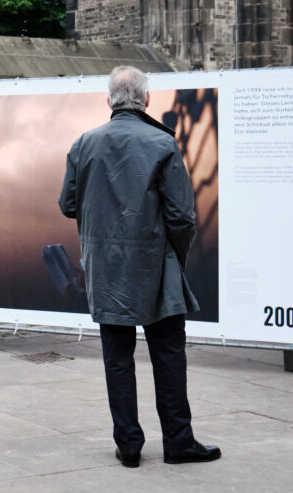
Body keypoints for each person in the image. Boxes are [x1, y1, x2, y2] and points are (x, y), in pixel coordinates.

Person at [58, 65, 221, 468]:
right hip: (156, 266)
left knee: (117, 357)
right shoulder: (162, 144)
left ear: (109, 101)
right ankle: (178, 443)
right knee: (168, 354)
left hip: (106, 269)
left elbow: (68, 204)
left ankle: (129, 446)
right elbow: (182, 217)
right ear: (147, 100)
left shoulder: (84, 144)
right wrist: (174, 258)